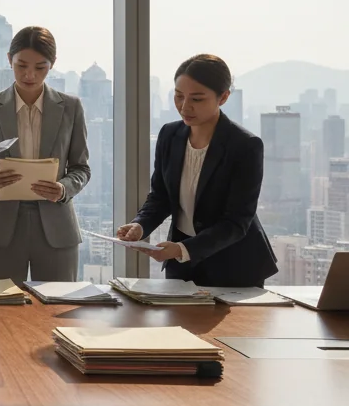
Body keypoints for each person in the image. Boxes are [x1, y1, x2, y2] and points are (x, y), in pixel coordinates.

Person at [117, 54, 277, 286]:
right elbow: (160, 196)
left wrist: (182, 249)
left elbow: (237, 221)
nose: (185, 106)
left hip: (234, 266)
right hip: (181, 266)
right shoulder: (169, 135)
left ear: (223, 97)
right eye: (178, 96)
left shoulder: (244, 145)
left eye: (197, 99)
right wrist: (140, 225)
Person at [0, 26, 91, 282]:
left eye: (40, 67)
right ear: (9, 59)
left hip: (57, 226)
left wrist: (63, 188)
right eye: (21, 65)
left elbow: (82, 168)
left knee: (55, 310)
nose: (29, 75)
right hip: (0, 227)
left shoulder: (71, 108)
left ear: (52, 64)